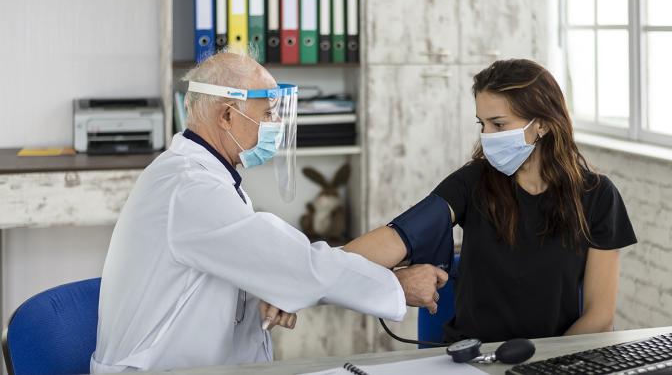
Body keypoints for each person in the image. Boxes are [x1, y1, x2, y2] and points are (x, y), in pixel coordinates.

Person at [90, 52, 447, 373]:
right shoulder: (192, 189)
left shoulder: (204, 177)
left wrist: (273, 286)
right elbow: (301, 265)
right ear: (228, 115)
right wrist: (395, 284)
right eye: (267, 113)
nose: (274, 123)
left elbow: (268, 262)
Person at [345, 59, 637, 343]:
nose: (487, 136)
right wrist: (316, 275)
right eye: (482, 124)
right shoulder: (473, 182)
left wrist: (547, 366)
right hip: (474, 360)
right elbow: (398, 236)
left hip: (554, 361)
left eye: (498, 124)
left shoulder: (597, 196)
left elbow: (599, 316)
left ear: (543, 125)